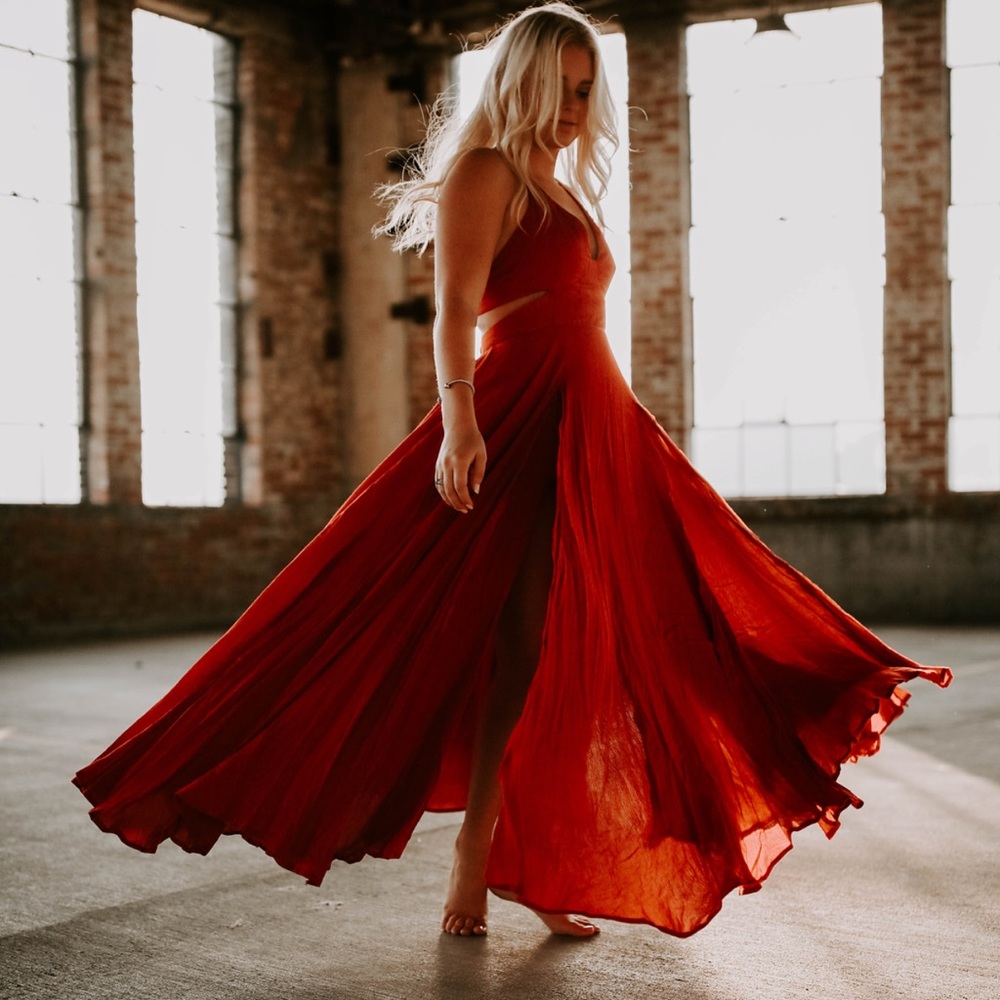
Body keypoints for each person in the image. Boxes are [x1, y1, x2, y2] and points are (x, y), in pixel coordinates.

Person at [74, 1, 951, 944]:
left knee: (658, 610)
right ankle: (483, 856)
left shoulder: (566, 185)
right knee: (502, 638)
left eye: (586, 90)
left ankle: (530, 853)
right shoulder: (486, 170)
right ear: (519, 79)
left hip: (599, 420)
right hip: (518, 414)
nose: (575, 106)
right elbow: (454, 308)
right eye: (561, 87)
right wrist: (459, 425)